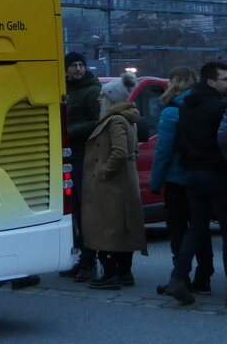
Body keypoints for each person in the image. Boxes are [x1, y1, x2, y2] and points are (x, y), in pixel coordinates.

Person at [162, 61, 227, 305]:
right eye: (225, 80)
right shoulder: (219, 107)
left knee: (196, 228)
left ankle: (178, 279)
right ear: (211, 82)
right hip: (218, 174)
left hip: (191, 174)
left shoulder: (185, 106)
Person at [150, 66, 214, 296]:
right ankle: (204, 276)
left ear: (173, 83)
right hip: (204, 175)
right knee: (200, 227)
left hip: (177, 180)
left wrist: (156, 182)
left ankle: (180, 277)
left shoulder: (172, 110)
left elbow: (163, 152)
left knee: (178, 230)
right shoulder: (207, 106)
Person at [81, 74, 148, 289]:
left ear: (112, 98)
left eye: (103, 96)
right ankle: (124, 273)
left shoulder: (115, 119)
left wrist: (104, 172)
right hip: (122, 182)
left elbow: (119, 151)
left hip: (112, 184)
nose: (100, 100)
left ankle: (110, 274)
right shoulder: (126, 117)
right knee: (122, 227)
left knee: (107, 228)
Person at [60, 51, 104, 280]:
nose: (78, 69)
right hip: (69, 156)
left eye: (81, 65)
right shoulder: (66, 89)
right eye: (73, 65)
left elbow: (98, 121)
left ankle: (89, 261)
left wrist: (68, 132)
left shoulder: (92, 90)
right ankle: (81, 258)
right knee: (74, 211)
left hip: (83, 156)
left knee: (84, 210)